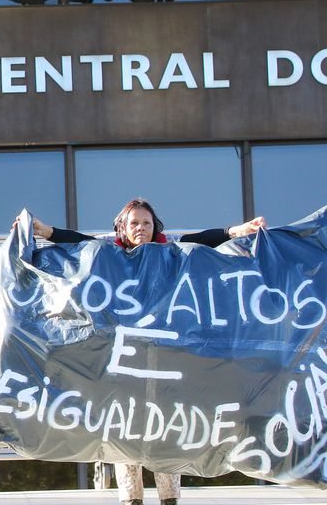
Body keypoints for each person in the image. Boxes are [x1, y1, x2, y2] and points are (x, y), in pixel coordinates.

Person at [28, 198, 266, 505]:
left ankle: (170, 498)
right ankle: (132, 499)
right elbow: (80, 242)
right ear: (122, 228)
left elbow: (201, 240)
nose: (141, 228)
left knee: (165, 435)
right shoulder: (110, 254)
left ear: (155, 228)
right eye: (134, 223)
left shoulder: (170, 252)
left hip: (165, 366)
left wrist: (237, 231)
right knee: (125, 433)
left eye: (146, 223)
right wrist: (46, 231)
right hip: (124, 370)